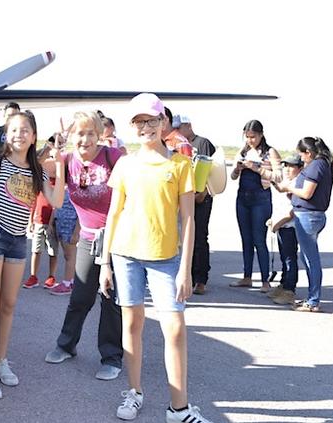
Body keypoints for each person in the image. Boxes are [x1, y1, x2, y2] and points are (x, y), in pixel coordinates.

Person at [99, 93, 216, 422]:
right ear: (132, 127)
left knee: (175, 328)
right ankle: (134, 392)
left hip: (166, 258)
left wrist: (186, 270)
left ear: (164, 122)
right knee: (132, 324)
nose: (146, 126)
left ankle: (179, 408)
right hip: (125, 254)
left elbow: (189, 219)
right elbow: (114, 214)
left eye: (151, 120)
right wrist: (105, 263)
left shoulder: (180, 164)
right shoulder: (125, 163)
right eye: (139, 121)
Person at [0, 111, 65, 400]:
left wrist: (60, 161)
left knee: (8, 305)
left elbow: (56, 200)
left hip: (18, 240)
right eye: (14, 130)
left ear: (34, 137)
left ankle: (1, 361)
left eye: (26, 130)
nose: (20, 134)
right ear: (6, 135)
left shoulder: (39, 171)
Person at [44, 111, 124, 381]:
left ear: (100, 134)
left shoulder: (114, 158)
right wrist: (55, 159)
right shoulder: (66, 161)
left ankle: (112, 357)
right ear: (72, 136)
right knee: (80, 297)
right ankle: (66, 345)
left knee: (110, 299)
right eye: (80, 133)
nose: (85, 139)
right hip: (89, 238)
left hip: (117, 238)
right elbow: (55, 201)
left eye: (91, 133)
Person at [274, 137, 333, 312]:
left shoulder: (316, 165)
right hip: (310, 215)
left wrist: (288, 188)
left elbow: (307, 193)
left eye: (301, 155)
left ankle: (313, 300)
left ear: (308, 153)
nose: (300, 158)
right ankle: (312, 298)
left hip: (308, 217)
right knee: (307, 258)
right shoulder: (322, 164)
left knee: (311, 260)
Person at [230, 120, 282, 292]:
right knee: (246, 239)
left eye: (253, 137)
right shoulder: (243, 150)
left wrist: (256, 168)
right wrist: (238, 169)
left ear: (261, 135)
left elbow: (278, 176)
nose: (250, 140)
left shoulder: (270, 152)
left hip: (261, 198)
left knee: (259, 239)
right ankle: (247, 276)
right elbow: (232, 176)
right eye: (247, 137)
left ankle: (265, 280)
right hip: (243, 197)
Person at [173, 114, 217, 295]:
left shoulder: (202, 143)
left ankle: (201, 279)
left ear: (188, 126)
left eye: (179, 127)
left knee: (199, 237)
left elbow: (211, 170)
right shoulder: (176, 145)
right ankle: (187, 273)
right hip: (186, 195)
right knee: (184, 238)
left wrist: (203, 193)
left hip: (202, 197)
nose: (176, 131)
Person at [24, 146, 62, 290]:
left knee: (53, 251)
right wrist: (30, 220)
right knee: (36, 249)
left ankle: (51, 276)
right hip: (38, 220)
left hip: (51, 222)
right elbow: (33, 200)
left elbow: (56, 205)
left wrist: (52, 221)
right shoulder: (40, 180)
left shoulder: (58, 184)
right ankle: (33, 276)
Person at [267, 155, 303, 305]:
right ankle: (283, 284)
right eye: (286, 166)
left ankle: (289, 289)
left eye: (291, 166)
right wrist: (273, 220)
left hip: (290, 227)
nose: (287, 169)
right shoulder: (287, 182)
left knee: (290, 258)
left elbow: (293, 211)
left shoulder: (298, 184)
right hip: (282, 226)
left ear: (300, 168)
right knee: (284, 257)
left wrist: (279, 223)